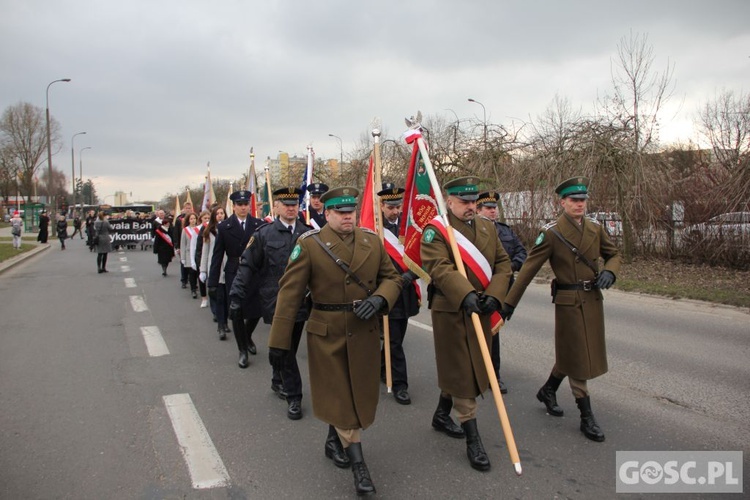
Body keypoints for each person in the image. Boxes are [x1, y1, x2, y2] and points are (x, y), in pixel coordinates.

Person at [268, 186, 402, 496]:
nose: (347, 217)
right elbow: (289, 294)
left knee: (355, 394)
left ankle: (333, 441)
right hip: (326, 333)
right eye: (340, 212)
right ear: (326, 214)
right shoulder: (311, 245)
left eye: (350, 211)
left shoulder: (372, 241)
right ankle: (359, 465)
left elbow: (393, 278)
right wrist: (279, 341)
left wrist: (381, 299)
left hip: (364, 331)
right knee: (342, 397)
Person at [502, 176, 622, 443]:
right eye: (574, 201)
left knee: (575, 352)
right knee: (579, 356)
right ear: (563, 203)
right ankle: (585, 415)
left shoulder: (594, 227)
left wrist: (610, 273)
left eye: (583, 200)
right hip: (569, 301)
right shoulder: (552, 233)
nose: (580, 205)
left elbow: (614, 254)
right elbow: (528, 270)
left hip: (593, 300)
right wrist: (508, 303)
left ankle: (548, 389)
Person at [420, 176, 512, 472]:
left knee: (470, 366)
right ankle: (473, 439)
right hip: (452, 310)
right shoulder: (436, 231)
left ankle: (440, 415)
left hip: (483, 308)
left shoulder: (487, 227)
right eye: (464, 201)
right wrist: (467, 295)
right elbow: (440, 268)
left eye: (473, 201)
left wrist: (495, 296)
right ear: (449, 201)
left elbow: (503, 264)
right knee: (462, 370)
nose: (471, 206)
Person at [230, 187, 312, 420]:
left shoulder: (307, 234)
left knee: (289, 347)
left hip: (301, 302)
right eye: (285, 204)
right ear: (275, 207)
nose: (290, 208)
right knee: (285, 349)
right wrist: (236, 295)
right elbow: (247, 266)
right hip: (274, 300)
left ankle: (278, 377)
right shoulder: (264, 234)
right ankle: (294, 396)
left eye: (294, 203)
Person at [476, 191, 527, 394]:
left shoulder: (505, 231)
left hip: (504, 288)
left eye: (494, 207)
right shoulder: (474, 232)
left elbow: (521, 252)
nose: (493, 211)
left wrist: (511, 266)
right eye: (488, 208)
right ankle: (484, 374)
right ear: (478, 210)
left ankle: (493, 375)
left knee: (494, 331)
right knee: (483, 333)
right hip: (483, 289)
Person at [208, 190, 263, 368]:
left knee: (257, 311)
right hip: (234, 271)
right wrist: (213, 282)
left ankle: (247, 336)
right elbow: (217, 256)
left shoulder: (259, 224)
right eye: (239, 204)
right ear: (234, 206)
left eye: (246, 204)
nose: (243, 207)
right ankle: (242, 350)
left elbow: (264, 253)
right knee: (237, 311)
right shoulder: (224, 227)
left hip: (254, 272)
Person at [376, 182, 420, 405]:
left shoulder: (409, 228)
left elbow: (422, 255)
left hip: (406, 291)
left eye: (397, 206)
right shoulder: (374, 228)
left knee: (396, 338)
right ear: (381, 206)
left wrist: (411, 275)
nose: (395, 211)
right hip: (385, 291)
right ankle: (400, 384)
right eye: (390, 207)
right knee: (394, 342)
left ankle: (383, 369)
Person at [199, 206, 228, 339]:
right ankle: (220, 322)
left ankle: (225, 321)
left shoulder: (229, 229)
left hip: (228, 267)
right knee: (218, 295)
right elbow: (205, 252)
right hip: (215, 267)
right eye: (217, 214)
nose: (220, 216)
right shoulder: (209, 232)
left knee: (228, 297)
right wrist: (203, 270)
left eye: (222, 213)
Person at [180, 212, 201, 299]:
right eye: (191, 219)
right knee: (192, 273)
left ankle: (196, 285)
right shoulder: (185, 230)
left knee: (197, 273)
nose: (193, 220)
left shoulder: (199, 229)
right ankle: (193, 290)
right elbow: (183, 244)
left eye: (194, 218)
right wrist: (183, 257)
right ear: (188, 220)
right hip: (189, 254)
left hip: (198, 253)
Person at [192, 210, 211, 308]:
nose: (207, 220)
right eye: (205, 218)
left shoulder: (212, 227)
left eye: (208, 218)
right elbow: (195, 246)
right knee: (202, 279)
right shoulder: (197, 229)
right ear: (201, 219)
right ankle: (204, 298)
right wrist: (194, 260)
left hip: (211, 257)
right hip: (200, 256)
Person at [173, 201, 194, 289]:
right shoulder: (179, 219)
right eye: (187, 208)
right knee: (183, 262)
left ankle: (192, 279)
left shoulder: (194, 218)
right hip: (183, 244)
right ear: (183, 209)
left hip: (192, 244)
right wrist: (177, 246)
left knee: (192, 263)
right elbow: (176, 234)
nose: (188, 210)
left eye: (189, 208)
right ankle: (183, 280)